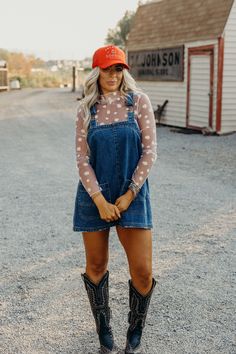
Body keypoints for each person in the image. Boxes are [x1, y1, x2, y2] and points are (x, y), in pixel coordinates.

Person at [73, 45, 157, 354]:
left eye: (118, 68)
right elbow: (82, 160)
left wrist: (130, 193)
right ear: (97, 71)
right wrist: (99, 200)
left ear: (125, 71)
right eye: (107, 69)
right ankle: (103, 327)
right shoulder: (86, 109)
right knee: (95, 265)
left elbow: (150, 152)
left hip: (131, 195)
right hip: (94, 196)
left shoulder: (139, 103)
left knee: (143, 271)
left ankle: (134, 328)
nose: (113, 74)